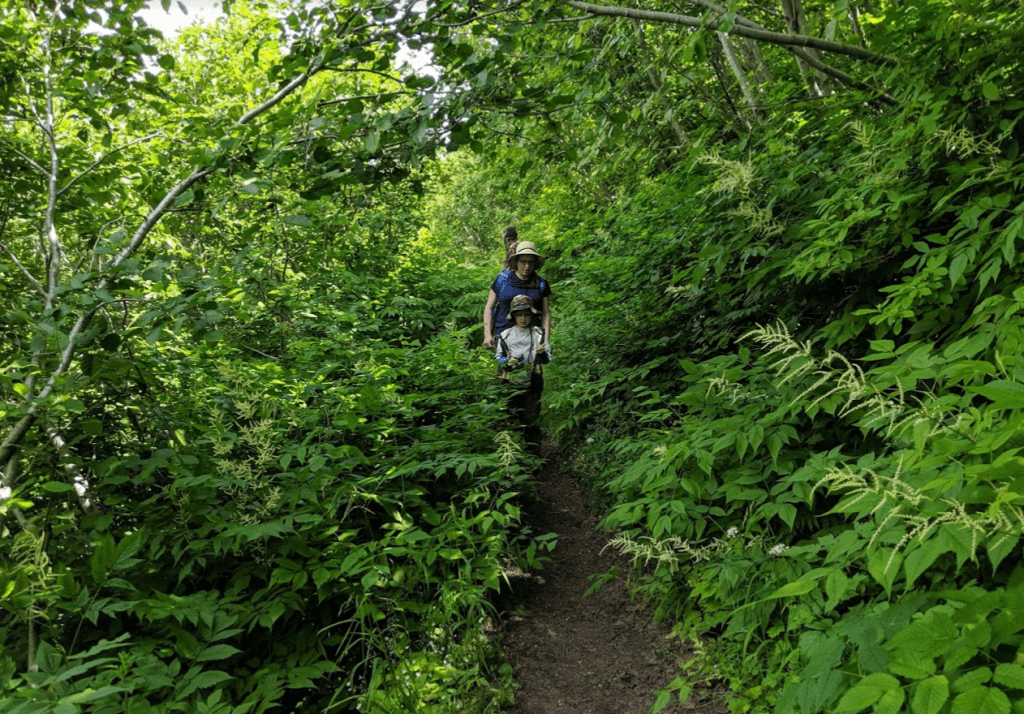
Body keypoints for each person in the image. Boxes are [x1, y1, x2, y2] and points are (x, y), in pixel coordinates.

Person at [495, 295, 550, 455]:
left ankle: (533, 456)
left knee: (532, 420)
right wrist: (508, 361)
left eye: (526, 314)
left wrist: (542, 352)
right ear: (513, 316)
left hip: (533, 382)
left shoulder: (539, 333)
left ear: (532, 315)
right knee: (512, 419)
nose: (523, 318)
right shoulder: (505, 335)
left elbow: (547, 360)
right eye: (519, 314)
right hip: (510, 383)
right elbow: (498, 358)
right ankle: (513, 457)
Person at [483, 241, 551, 350]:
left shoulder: (541, 283)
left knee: (529, 366)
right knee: (506, 365)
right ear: (516, 262)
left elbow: (545, 313)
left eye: (531, 262)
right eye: (523, 262)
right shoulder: (502, 279)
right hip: (503, 337)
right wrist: (487, 334)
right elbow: (489, 308)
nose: (527, 266)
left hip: (531, 339)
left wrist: (545, 339)